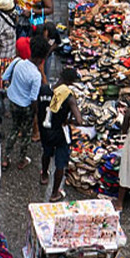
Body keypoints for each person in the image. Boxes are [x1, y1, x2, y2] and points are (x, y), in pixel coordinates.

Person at [4, 33, 46, 169]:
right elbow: (34, 99)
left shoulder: (18, 62)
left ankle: (6, 158)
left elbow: (5, 76)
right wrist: (36, 112)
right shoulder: (36, 75)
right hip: (26, 106)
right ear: (42, 58)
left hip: (13, 101)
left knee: (14, 129)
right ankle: (22, 160)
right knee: (26, 134)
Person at [39, 66, 78, 200]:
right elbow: (79, 119)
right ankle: (55, 193)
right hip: (60, 132)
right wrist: (70, 119)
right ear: (71, 82)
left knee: (46, 152)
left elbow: (37, 107)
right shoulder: (68, 96)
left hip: (45, 129)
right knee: (60, 163)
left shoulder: (44, 89)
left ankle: (44, 175)